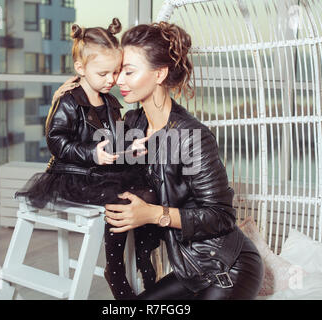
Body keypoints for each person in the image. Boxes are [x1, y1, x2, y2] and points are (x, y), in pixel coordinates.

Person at [104, 21, 264, 300]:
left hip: (227, 269)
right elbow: (104, 166)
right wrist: (76, 92)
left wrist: (153, 215)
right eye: (119, 71)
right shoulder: (132, 123)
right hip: (189, 271)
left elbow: (222, 216)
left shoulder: (191, 137)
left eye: (129, 71)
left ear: (159, 73)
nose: (119, 80)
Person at [15, 18, 160, 300]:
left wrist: (132, 144)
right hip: (73, 174)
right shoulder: (69, 101)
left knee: (148, 190)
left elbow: (114, 139)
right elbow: (56, 141)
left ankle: (144, 256)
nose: (112, 80)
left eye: (116, 72)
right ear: (81, 68)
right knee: (118, 199)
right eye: (104, 73)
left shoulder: (109, 102)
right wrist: (91, 152)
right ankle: (115, 269)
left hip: (101, 170)